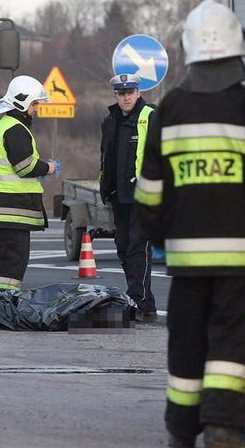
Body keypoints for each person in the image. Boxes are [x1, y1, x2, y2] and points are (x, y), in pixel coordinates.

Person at [134, 0, 245, 448]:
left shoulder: (168, 111)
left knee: (186, 342)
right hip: (242, 261)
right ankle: (225, 428)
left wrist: (157, 237)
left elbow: (149, 190)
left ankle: (181, 433)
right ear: (237, 51)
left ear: (188, 51)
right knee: (232, 342)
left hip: (186, 261)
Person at [0, 75, 57, 291]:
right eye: (34, 103)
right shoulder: (16, 129)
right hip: (14, 208)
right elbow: (24, 167)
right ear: (22, 101)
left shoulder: (3, 125)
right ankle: (5, 302)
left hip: (2, 207)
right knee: (13, 262)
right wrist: (48, 168)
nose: (36, 109)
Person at [99, 72, 157, 321]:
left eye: (130, 93)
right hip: (118, 195)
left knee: (138, 247)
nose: (126, 98)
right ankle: (137, 298)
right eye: (121, 94)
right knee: (123, 247)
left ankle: (143, 304)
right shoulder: (109, 121)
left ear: (139, 92)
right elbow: (105, 157)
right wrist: (105, 187)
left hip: (144, 196)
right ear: (116, 95)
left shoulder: (151, 117)